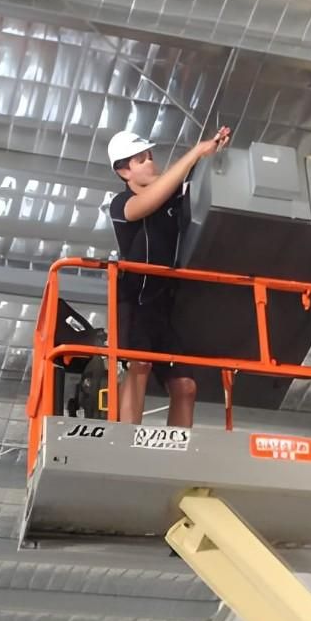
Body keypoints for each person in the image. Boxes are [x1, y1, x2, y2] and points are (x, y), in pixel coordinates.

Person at [106, 124, 232, 426]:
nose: (151, 161)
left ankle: (179, 451)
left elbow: (194, 186)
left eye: (150, 155)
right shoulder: (120, 204)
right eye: (141, 159)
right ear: (125, 173)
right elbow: (146, 204)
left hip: (164, 307)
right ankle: (127, 441)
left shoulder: (174, 195)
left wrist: (214, 155)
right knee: (140, 364)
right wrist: (196, 153)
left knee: (186, 386)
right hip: (134, 301)